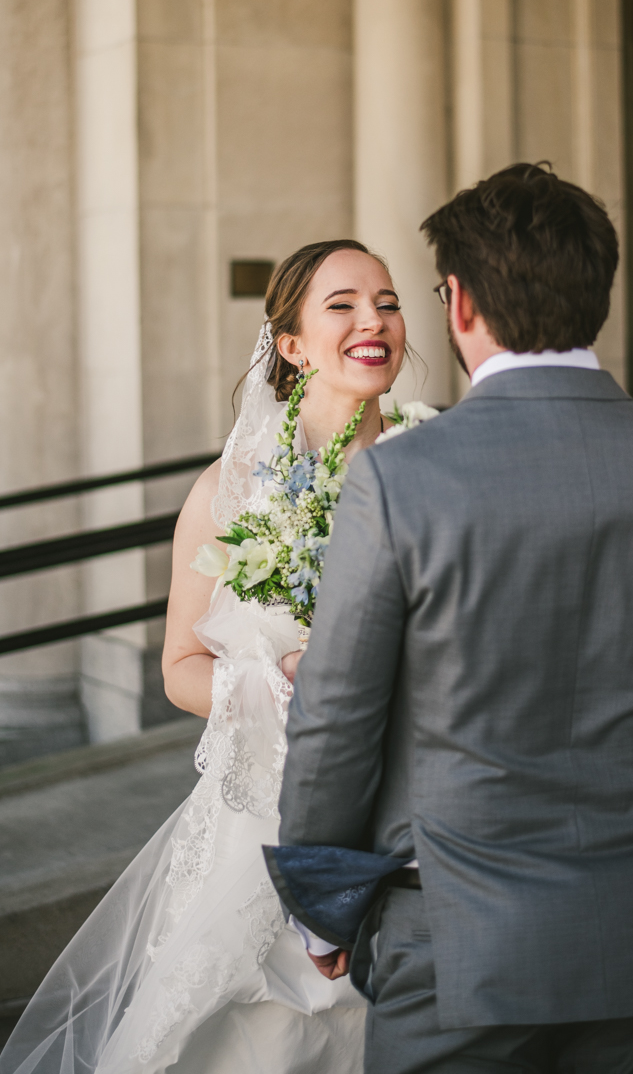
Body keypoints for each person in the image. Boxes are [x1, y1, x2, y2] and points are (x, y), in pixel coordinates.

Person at [277, 164, 633, 1073]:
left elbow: (338, 715)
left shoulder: (402, 478)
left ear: (459, 302)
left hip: (457, 939)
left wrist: (319, 904)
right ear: (599, 292)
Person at [0, 239, 406, 1074]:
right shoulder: (227, 492)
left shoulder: (434, 469)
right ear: (289, 344)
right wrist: (274, 684)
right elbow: (179, 666)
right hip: (258, 826)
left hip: (403, 826)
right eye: (343, 305)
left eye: (391, 302)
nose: (375, 320)